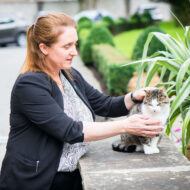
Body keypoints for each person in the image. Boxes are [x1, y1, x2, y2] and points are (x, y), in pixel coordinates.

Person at [0, 13, 163, 190]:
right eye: (67, 46)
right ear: (44, 48)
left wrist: (133, 97)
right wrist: (125, 126)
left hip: (71, 174)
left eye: (75, 44)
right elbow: (70, 130)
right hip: (37, 180)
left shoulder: (69, 75)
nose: (74, 52)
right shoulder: (29, 85)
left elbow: (104, 105)